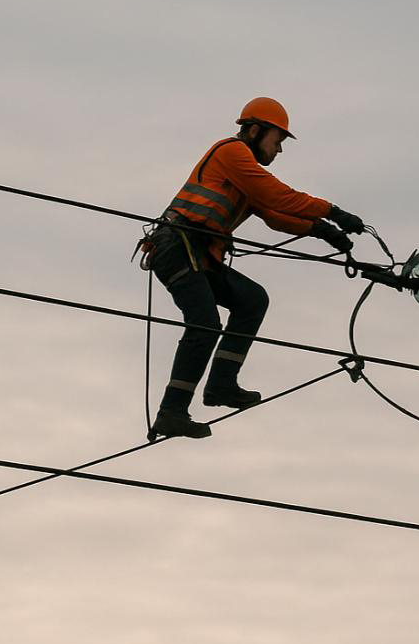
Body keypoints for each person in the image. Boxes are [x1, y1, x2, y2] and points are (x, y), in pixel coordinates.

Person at [142, 96, 365, 439]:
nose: (279, 150)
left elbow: (275, 215)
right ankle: (171, 411)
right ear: (257, 130)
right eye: (277, 141)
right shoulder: (231, 153)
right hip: (177, 246)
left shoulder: (246, 177)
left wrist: (320, 231)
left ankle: (221, 385)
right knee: (204, 323)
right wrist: (332, 212)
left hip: (200, 253)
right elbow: (278, 197)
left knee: (252, 299)